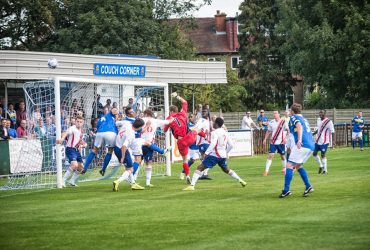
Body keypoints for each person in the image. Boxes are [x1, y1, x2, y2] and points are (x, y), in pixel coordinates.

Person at [183, 117, 246, 191]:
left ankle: (192, 185)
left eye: (214, 122)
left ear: (216, 124)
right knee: (225, 169)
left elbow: (213, 143)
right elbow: (231, 145)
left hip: (215, 155)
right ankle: (240, 180)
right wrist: (226, 153)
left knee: (199, 168)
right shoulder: (225, 132)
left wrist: (206, 154)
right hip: (222, 155)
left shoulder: (215, 132)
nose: (212, 123)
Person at [279, 103, 315, 198]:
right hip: (310, 145)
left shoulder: (294, 118)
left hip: (302, 144)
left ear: (293, 111)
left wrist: (299, 140)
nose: (290, 112)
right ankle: (308, 186)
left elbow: (299, 126)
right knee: (298, 165)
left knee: (289, 165)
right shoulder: (304, 119)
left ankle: (286, 190)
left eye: (290, 110)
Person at [164, 92, 200, 184]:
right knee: (197, 130)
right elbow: (185, 102)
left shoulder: (169, 118)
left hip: (181, 142)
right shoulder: (182, 114)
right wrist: (177, 97)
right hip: (189, 137)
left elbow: (164, 130)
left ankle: (187, 175)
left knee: (184, 159)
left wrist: (169, 127)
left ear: (171, 112)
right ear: (177, 110)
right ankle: (206, 137)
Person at [82, 107, 119, 174]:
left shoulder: (101, 119)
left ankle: (84, 168)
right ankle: (103, 169)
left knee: (94, 150)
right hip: (110, 133)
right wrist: (116, 112)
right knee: (110, 151)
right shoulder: (111, 116)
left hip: (100, 133)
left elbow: (97, 128)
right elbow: (114, 110)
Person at [112, 118, 146, 191]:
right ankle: (117, 181)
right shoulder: (131, 134)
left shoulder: (127, 124)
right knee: (130, 169)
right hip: (122, 149)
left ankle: (133, 184)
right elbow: (124, 146)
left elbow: (117, 123)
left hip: (116, 146)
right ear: (139, 127)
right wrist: (122, 157)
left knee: (128, 167)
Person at [141, 109, 171, 187]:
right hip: (150, 144)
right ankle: (148, 182)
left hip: (140, 144)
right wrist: (172, 119)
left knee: (137, 162)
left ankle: (133, 180)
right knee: (149, 163)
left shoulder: (142, 120)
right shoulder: (155, 121)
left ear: (146, 114)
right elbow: (167, 122)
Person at [56, 116, 87, 187]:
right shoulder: (72, 128)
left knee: (81, 168)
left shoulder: (81, 131)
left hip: (77, 151)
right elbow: (66, 133)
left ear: (83, 123)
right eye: (77, 121)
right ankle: (62, 181)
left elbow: (80, 140)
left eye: (80, 122)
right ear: (75, 122)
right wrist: (62, 139)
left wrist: (84, 144)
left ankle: (72, 181)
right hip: (70, 149)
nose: (79, 123)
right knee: (75, 165)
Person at [262, 111, 289, 176]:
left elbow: (288, 130)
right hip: (273, 141)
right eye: (273, 113)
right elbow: (268, 131)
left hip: (281, 142)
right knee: (270, 155)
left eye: (276, 113)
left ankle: (285, 169)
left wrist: (285, 138)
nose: (274, 114)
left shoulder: (283, 122)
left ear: (279, 114)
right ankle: (266, 171)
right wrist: (265, 139)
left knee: (282, 156)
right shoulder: (271, 122)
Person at [312, 110, 335, 174]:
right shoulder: (318, 120)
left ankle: (325, 170)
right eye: (320, 113)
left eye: (322, 112)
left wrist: (333, 141)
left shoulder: (329, 122)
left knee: (323, 154)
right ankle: (321, 165)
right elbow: (319, 129)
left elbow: (333, 132)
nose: (320, 114)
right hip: (318, 140)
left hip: (324, 141)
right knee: (314, 153)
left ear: (325, 114)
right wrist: (313, 134)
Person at [180, 114, 200, 180]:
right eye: (190, 117)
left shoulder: (197, 125)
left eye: (192, 117)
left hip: (199, 144)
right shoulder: (188, 126)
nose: (191, 118)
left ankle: (202, 174)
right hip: (192, 146)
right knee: (192, 160)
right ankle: (183, 172)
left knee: (204, 158)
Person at [195, 107, 212, 180]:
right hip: (202, 142)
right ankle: (201, 174)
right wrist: (204, 135)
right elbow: (196, 128)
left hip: (205, 141)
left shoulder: (207, 121)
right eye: (203, 112)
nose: (204, 113)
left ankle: (203, 174)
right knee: (208, 157)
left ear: (208, 112)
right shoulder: (201, 120)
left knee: (205, 158)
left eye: (205, 111)